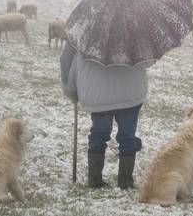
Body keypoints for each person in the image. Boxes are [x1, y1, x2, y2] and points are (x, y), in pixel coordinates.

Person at [60, 43, 153, 189]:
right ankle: (125, 182)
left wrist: (71, 92)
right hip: (130, 92)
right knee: (128, 136)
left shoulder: (83, 33)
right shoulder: (134, 30)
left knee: (98, 133)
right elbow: (148, 61)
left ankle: (95, 180)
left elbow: (68, 63)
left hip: (97, 94)